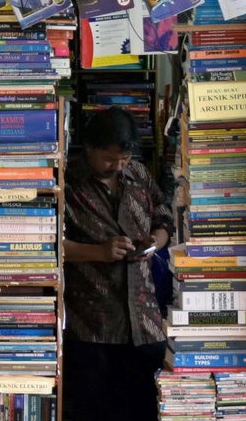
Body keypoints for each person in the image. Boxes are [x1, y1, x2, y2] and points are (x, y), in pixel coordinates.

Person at [62, 107, 174, 421]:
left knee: (143, 409)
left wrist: (154, 242)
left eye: (123, 158)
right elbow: (47, 246)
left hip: (144, 323)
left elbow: (165, 219)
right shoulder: (67, 183)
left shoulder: (137, 174)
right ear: (89, 148)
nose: (117, 165)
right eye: (109, 159)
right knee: (94, 410)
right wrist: (98, 251)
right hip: (93, 325)